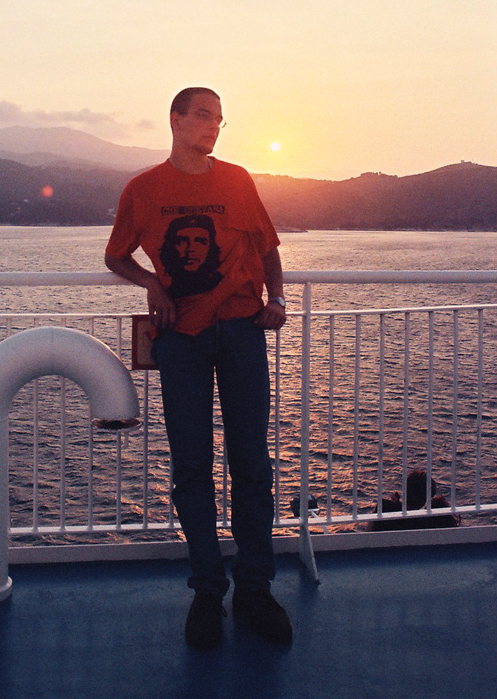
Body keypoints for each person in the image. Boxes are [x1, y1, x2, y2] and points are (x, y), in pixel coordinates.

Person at [105, 87, 292, 649]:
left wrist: (278, 298)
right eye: (204, 116)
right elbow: (116, 255)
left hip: (240, 331)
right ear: (176, 120)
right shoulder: (143, 189)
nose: (213, 126)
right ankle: (208, 592)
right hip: (180, 339)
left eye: (219, 119)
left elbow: (268, 248)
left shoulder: (237, 181)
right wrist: (152, 283)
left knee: (251, 463)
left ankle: (254, 588)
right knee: (191, 467)